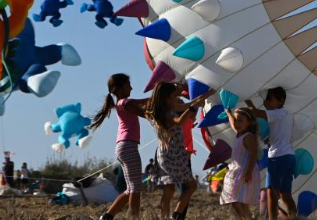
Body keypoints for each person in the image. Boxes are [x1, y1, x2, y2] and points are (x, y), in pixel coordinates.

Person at [148, 81, 213, 220]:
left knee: (169, 189)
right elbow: (179, 121)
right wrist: (192, 108)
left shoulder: (166, 108)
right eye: (173, 96)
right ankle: (176, 214)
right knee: (190, 186)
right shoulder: (165, 113)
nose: (175, 99)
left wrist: (207, 94)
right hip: (173, 154)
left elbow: (189, 104)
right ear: (166, 97)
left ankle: (168, 216)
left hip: (169, 153)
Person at [88, 73, 149, 220]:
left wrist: (160, 96)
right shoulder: (125, 103)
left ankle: (107, 217)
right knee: (135, 188)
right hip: (129, 146)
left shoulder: (123, 103)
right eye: (129, 85)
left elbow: (145, 101)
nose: (132, 87)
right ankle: (134, 218)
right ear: (120, 88)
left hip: (123, 147)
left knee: (130, 189)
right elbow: (146, 112)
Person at [246, 87, 297, 220]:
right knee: (286, 195)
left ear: (280, 101)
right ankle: (294, 217)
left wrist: (247, 100)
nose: (266, 103)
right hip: (290, 157)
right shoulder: (287, 115)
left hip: (278, 157)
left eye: (269, 99)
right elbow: (279, 135)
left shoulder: (279, 113)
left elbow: (256, 113)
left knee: (271, 193)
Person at [220, 108, 261, 219]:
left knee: (240, 201)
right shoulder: (240, 134)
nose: (236, 123)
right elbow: (233, 123)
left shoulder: (248, 137)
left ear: (250, 122)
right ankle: (246, 218)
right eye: (236, 120)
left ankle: (247, 218)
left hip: (245, 172)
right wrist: (228, 112)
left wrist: (248, 172)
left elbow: (253, 155)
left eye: (240, 121)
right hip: (237, 172)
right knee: (235, 200)